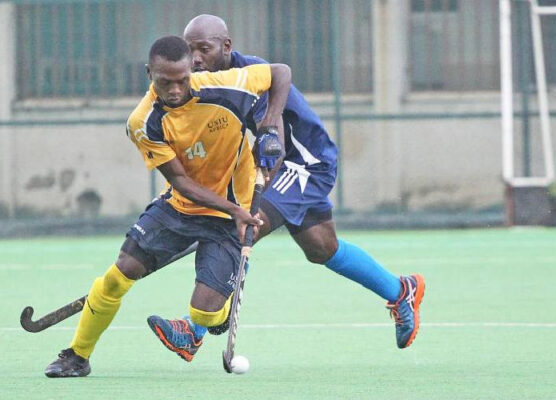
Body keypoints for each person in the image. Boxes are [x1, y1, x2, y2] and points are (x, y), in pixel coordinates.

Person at [148, 15, 425, 362]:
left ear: (226, 46)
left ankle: (195, 330)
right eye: (191, 51)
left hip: (304, 162)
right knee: (321, 247)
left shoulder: (250, 75)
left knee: (243, 227)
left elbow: (272, 138)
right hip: (286, 165)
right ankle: (400, 290)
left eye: (204, 49)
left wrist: (251, 193)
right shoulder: (205, 84)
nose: (196, 59)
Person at [44, 35, 291, 377]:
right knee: (120, 272)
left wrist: (269, 126)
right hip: (182, 207)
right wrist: (236, 212)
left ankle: (217, 311)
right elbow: (181, 182)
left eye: (182, 80)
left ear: (192, 70)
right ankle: (77, 356)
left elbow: (281, 73)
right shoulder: (143, 121)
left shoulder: (228, 84)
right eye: (164, 82)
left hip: (231, 212)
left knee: (204, 315)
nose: (175, 90)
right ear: (149, 73)